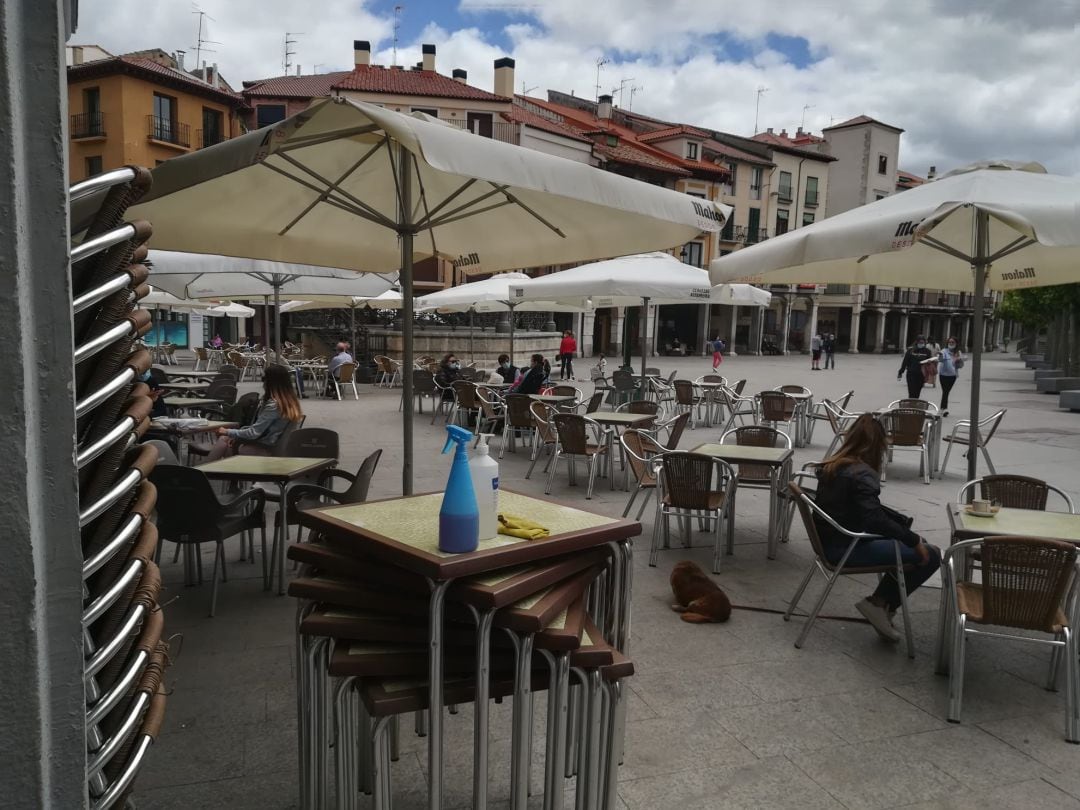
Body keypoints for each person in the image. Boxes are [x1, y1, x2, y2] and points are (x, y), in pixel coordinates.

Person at [813, 413, 941, 642]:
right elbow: (874, 519)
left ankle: (881, 605)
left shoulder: (832, 465)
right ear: (877, 446)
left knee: (906, 546)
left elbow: (864, 512)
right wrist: (912, 540)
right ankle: (880, 604)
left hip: (830, 542)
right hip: (847, 547)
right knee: (931, 554)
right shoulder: (862, 473)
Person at [202, 364, 303, 462]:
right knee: (226, 441)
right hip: (271, 447)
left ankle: (211, 473)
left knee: (225, 442)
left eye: (263, 379)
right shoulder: (289, 402)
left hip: (264, 448)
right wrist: (236, 435)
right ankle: (215, 474)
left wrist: (227, 432)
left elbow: (254, 433)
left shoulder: (273, 405)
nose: (262, 383)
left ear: (270, 382)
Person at [936, 336, 964, 416]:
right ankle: (943, 409)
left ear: (956, 344)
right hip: (943, 374)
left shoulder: (958, 352)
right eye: (949, 342)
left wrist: (958, 360)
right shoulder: (944, 351)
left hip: (953, 375)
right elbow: (940, 360)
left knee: (946, 391)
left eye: (953, 342)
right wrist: (940, 356)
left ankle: (943, 409)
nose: (951, 344)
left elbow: (960, 366)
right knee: (945, 391)